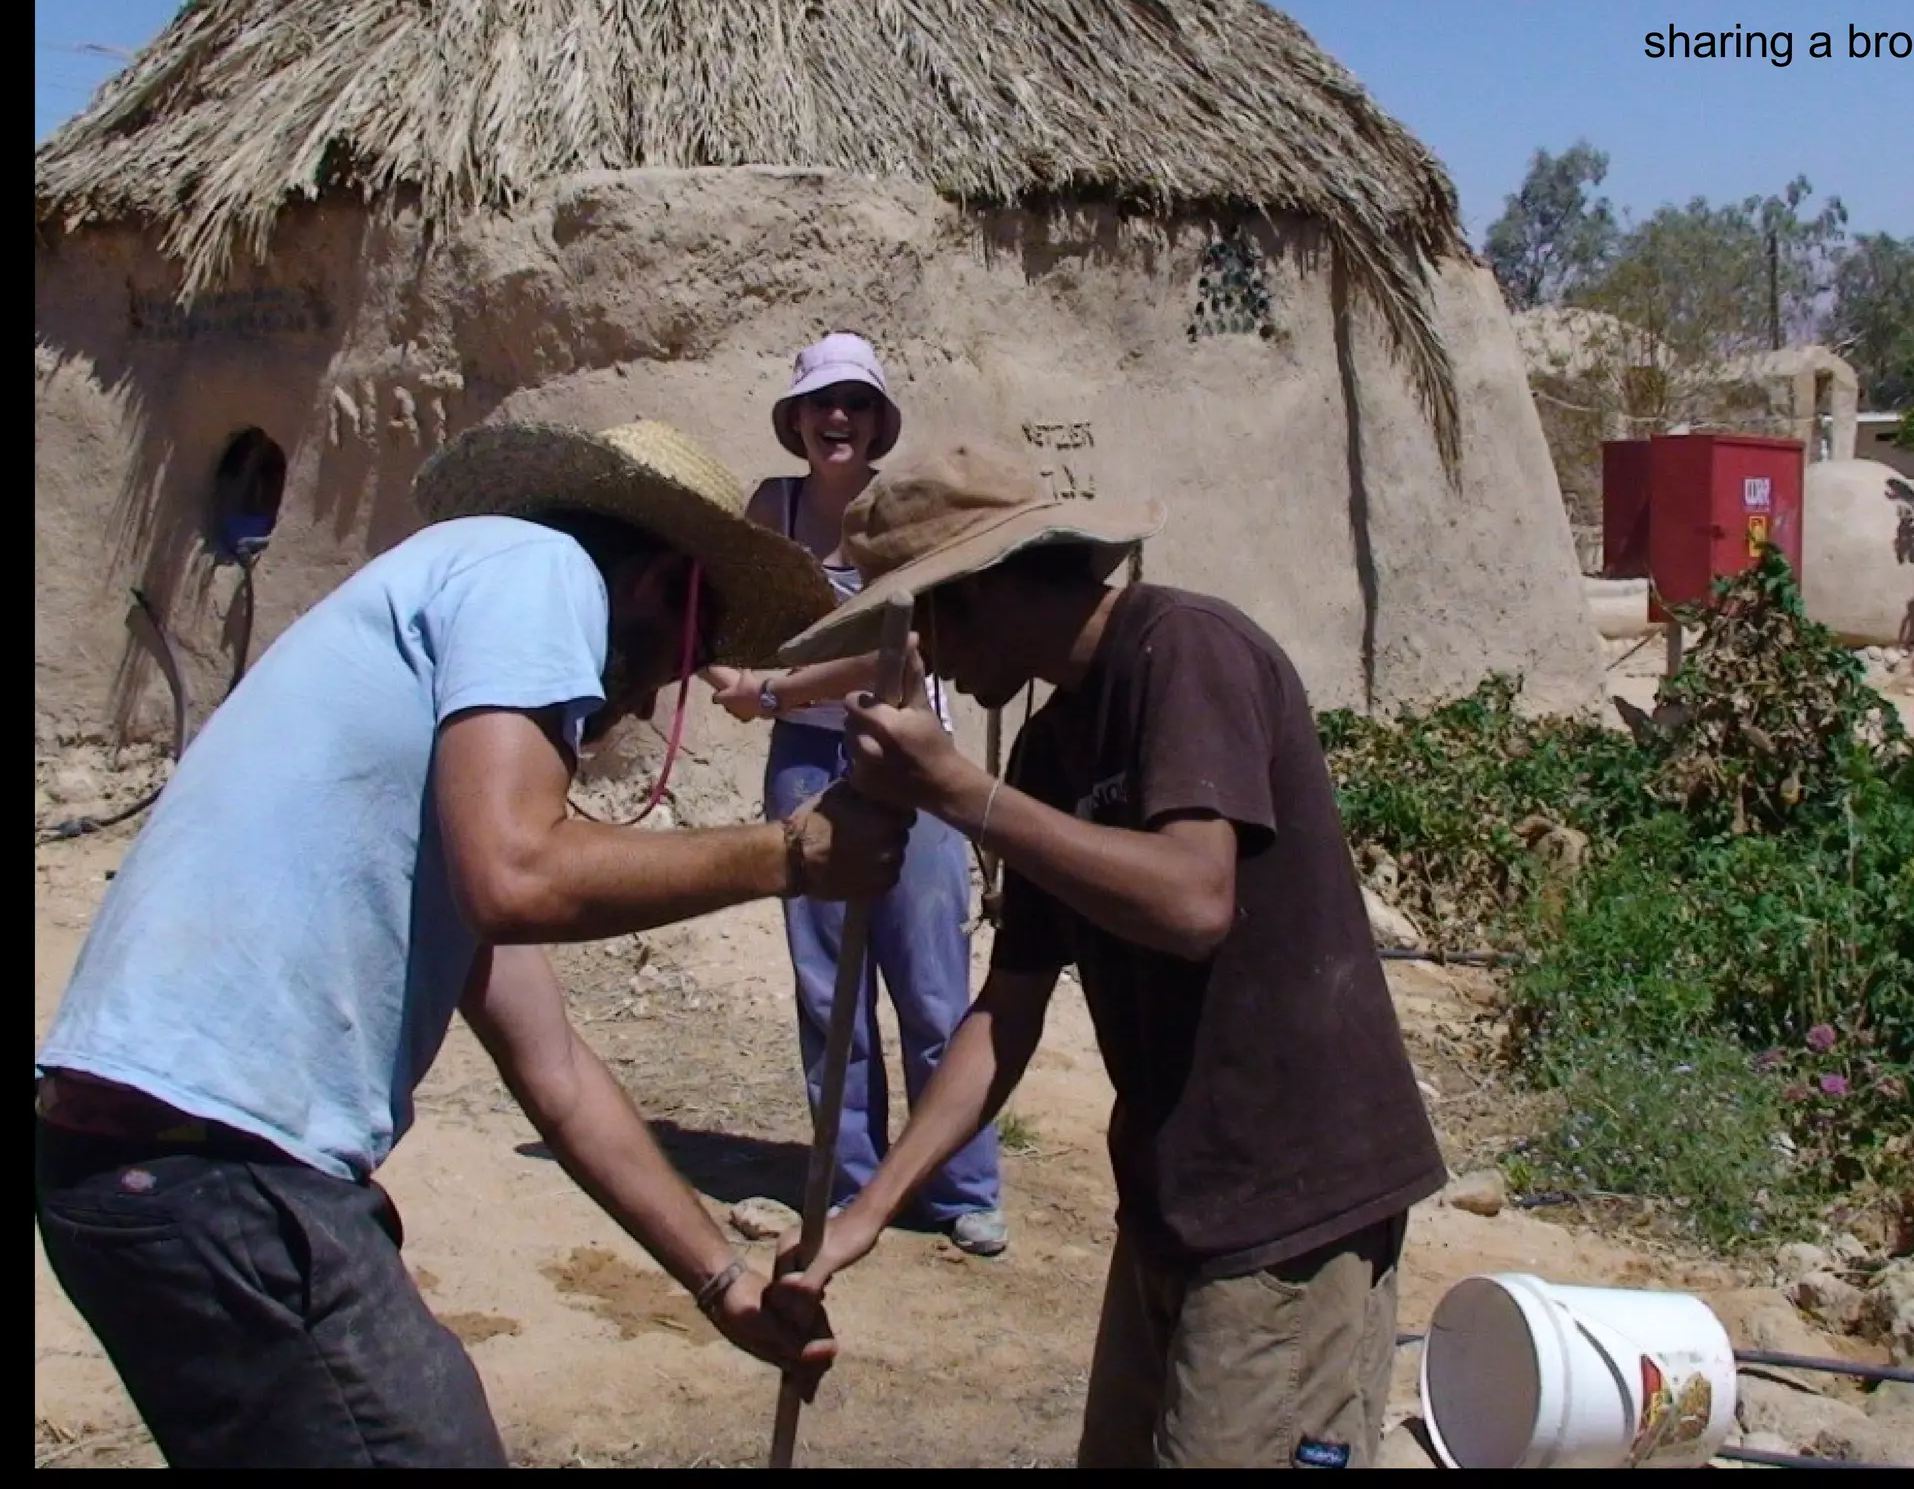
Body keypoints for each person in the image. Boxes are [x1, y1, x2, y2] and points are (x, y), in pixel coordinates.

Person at [32, 418, 916, 1469]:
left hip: (147, 1163)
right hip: (210, 1164)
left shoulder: (446, 688)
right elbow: (520, 873)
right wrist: (794, 851)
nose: (642, 699)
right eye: (679, 659)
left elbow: (557, 1075)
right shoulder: (540, 570)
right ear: (657, 585)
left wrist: (719, 1282)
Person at [768, 438, 1450, 1469]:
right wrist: (867, 1211)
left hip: (1289, 1193)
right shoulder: (1050, 744)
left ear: (983, 588)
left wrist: (961, 793)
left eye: (924, 620)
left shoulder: (1185, 650)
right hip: (1176, 1196)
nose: (927, 658)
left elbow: (1193, 898)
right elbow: (1005, 1011)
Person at [700, 334, 1006, 1258]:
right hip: (805, 759)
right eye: (823, 402)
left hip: (909, 755)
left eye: (857, 404)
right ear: (796, 419)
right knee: (828, 985)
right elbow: (716, 613)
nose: (839, 418)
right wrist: (733, 676)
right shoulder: (772, 507)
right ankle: (852, 1179)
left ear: (877, 424)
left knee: (931, 981)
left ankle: (961, 1186)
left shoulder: (895, 513)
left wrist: (775, 687)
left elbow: (901, 651)